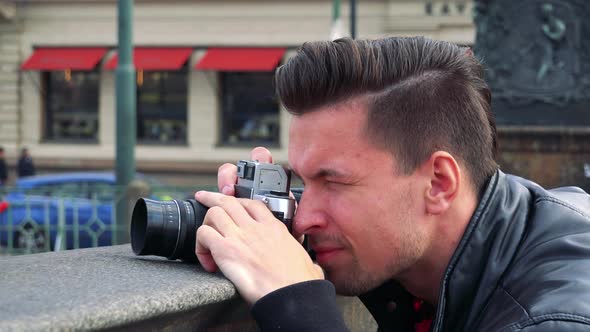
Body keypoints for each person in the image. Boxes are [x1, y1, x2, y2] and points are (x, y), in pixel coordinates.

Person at [194, 37, 590, 331]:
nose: (303, 219)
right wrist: (252, 221)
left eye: (333, 181)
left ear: (438, 183)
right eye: (302, 181)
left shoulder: (554, 319)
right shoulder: (513, 224)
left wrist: (298, 307)